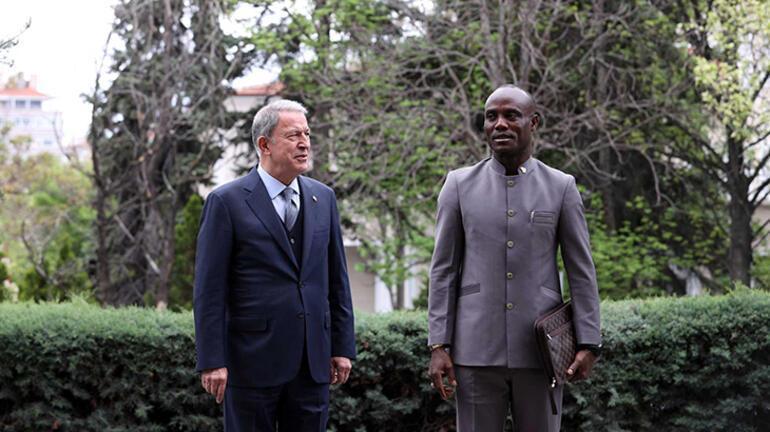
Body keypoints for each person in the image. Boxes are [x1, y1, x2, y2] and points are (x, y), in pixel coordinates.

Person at [427, 85, 602, 432]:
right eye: (491, 117)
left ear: (533, 122)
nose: (500, 124)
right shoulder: (458, 185)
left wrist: (589, 342)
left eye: (511, 116)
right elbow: (443, 270)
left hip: (541, 350)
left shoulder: (561, 187)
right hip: (474, 350)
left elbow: (581, 271)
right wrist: (438, 344)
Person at [193, 99, 356, 432]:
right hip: (251, 362)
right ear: (264, 144)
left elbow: (337, 280)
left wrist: (342, 347)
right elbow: (209, 291)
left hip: (312, 363)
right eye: (293, 135)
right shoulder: (226, 202)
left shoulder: (324, 198)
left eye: (307, 134)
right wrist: (211, 360)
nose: (304, 143)